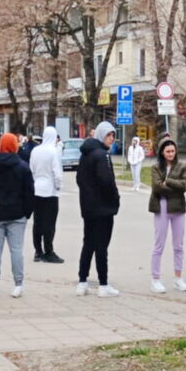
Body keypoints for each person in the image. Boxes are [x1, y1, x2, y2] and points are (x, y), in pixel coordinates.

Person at [0, 133, 34, 298]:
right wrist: (27, 212)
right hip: (17, 214)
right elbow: (29, 192)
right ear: (15, 146)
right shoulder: (23, 167)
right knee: (16, 250)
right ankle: (18, 284)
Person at [76, 122, 122, 298]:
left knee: (88, 243)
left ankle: (82, 282)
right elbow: (107, 181)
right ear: (102, 135)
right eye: (109, 135)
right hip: (103, 208)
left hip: (88, 207)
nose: (112, 139)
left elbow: (80, 180)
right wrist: (115, 200)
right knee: (101, 246)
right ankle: (103, 284)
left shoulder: (86, 154)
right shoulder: (102, 155)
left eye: (113, 135)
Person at [150, 138, 186, 294]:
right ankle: (155, 279)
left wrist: (168, 182)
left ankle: (178, 277)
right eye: (167, 151)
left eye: (173, 151)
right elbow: (156, 187)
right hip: (161, 207)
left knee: (179, 245)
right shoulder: (155, 167)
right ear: (162, 152)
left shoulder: (182, 167)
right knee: (159, 244)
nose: (170, 154)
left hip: (178, 208)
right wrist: (173, 186)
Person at [29, 126, 65, 264]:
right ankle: (49, 251)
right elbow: (57, 173)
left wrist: (35, 182)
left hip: (37, 189)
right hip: (50, 192)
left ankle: (38, 252)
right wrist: (58, 188)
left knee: (37, 222)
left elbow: (31, 169)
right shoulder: (53, 152)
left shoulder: (35, 151)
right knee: (49, 223)